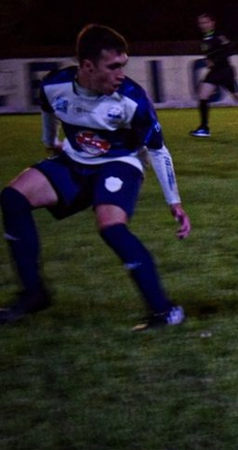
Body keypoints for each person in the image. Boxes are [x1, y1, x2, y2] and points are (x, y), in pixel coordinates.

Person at [0, 24, 191, 330]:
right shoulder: (54, 85)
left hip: (120, 164)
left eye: (123, 66)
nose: (121, 74)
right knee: (12, 198)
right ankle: (33, 295)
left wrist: (174, 202)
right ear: (87, 66)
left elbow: (158, 151)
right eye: (113, 66)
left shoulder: (132, 100)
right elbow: (48, 109)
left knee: (110, 225)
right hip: (74, 160)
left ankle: (164, 311)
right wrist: (50, 142)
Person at [189, 12, 238, 138]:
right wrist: (209, 60)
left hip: (224, 71)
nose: (203, 25)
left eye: (206, 22)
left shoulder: (218, 36)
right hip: (216, 71)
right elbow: (210, 54)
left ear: (212, 23)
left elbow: (230, 49)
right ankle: (204, 127)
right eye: (201, 23)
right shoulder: (205, 38)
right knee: (203, 95)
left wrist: (216, 59)